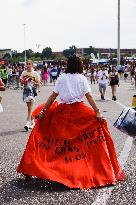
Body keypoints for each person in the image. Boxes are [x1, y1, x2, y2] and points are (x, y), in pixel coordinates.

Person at [17, 55, 125, 189]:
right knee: (95, 133)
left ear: (68, 65)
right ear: (79, 65)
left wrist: (43, 112)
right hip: (80, 111)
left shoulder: (62, 77)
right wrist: (97, 111)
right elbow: (89, 96)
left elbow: (52, 97)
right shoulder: (81, 78)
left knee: (47, 138)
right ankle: (98, 170)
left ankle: (34, 167)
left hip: (62, 111)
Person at [20, 60, 40, 131]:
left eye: (29, 64)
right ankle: (33, 122)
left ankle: (27, 123)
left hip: (32, 91)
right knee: (29, 108)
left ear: (32, 65)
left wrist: (33, 81)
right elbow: (21, 83)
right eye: (27, 64)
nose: (28, 65)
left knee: (29, 108)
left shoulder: (35, 73)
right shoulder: (24, 73)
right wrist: (23, 81)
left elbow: (38, 83)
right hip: (26, 91)